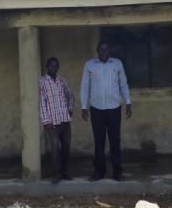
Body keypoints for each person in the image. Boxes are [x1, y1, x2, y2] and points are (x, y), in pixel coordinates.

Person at [80, 40, 132, 181]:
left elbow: (123, 84)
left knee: (115, 141)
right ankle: (99, 171)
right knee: (99, 142)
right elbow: (85, 87)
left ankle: (117, 172)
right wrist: (84, 107)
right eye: (101, 50)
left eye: (106, 50)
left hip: (114, 108)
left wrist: (128, 103)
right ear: (97, 51)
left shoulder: (117, 64)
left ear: (110, 51)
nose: (104, 52)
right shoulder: (89, 65)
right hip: (97, 110)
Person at [39, 57, 75, 184]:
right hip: (52, 122)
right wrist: (46, 120)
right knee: (55, 147)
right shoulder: (42, 82)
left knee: (66, 146)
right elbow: (41, 101)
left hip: (65, 119)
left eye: (55, 66)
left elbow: (70, 95)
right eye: (51, 66)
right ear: (47, 67)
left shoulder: (62, 80)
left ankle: (65, 172)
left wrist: (70, 109)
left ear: (58, 67)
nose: (53, 68)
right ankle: (56, 174)